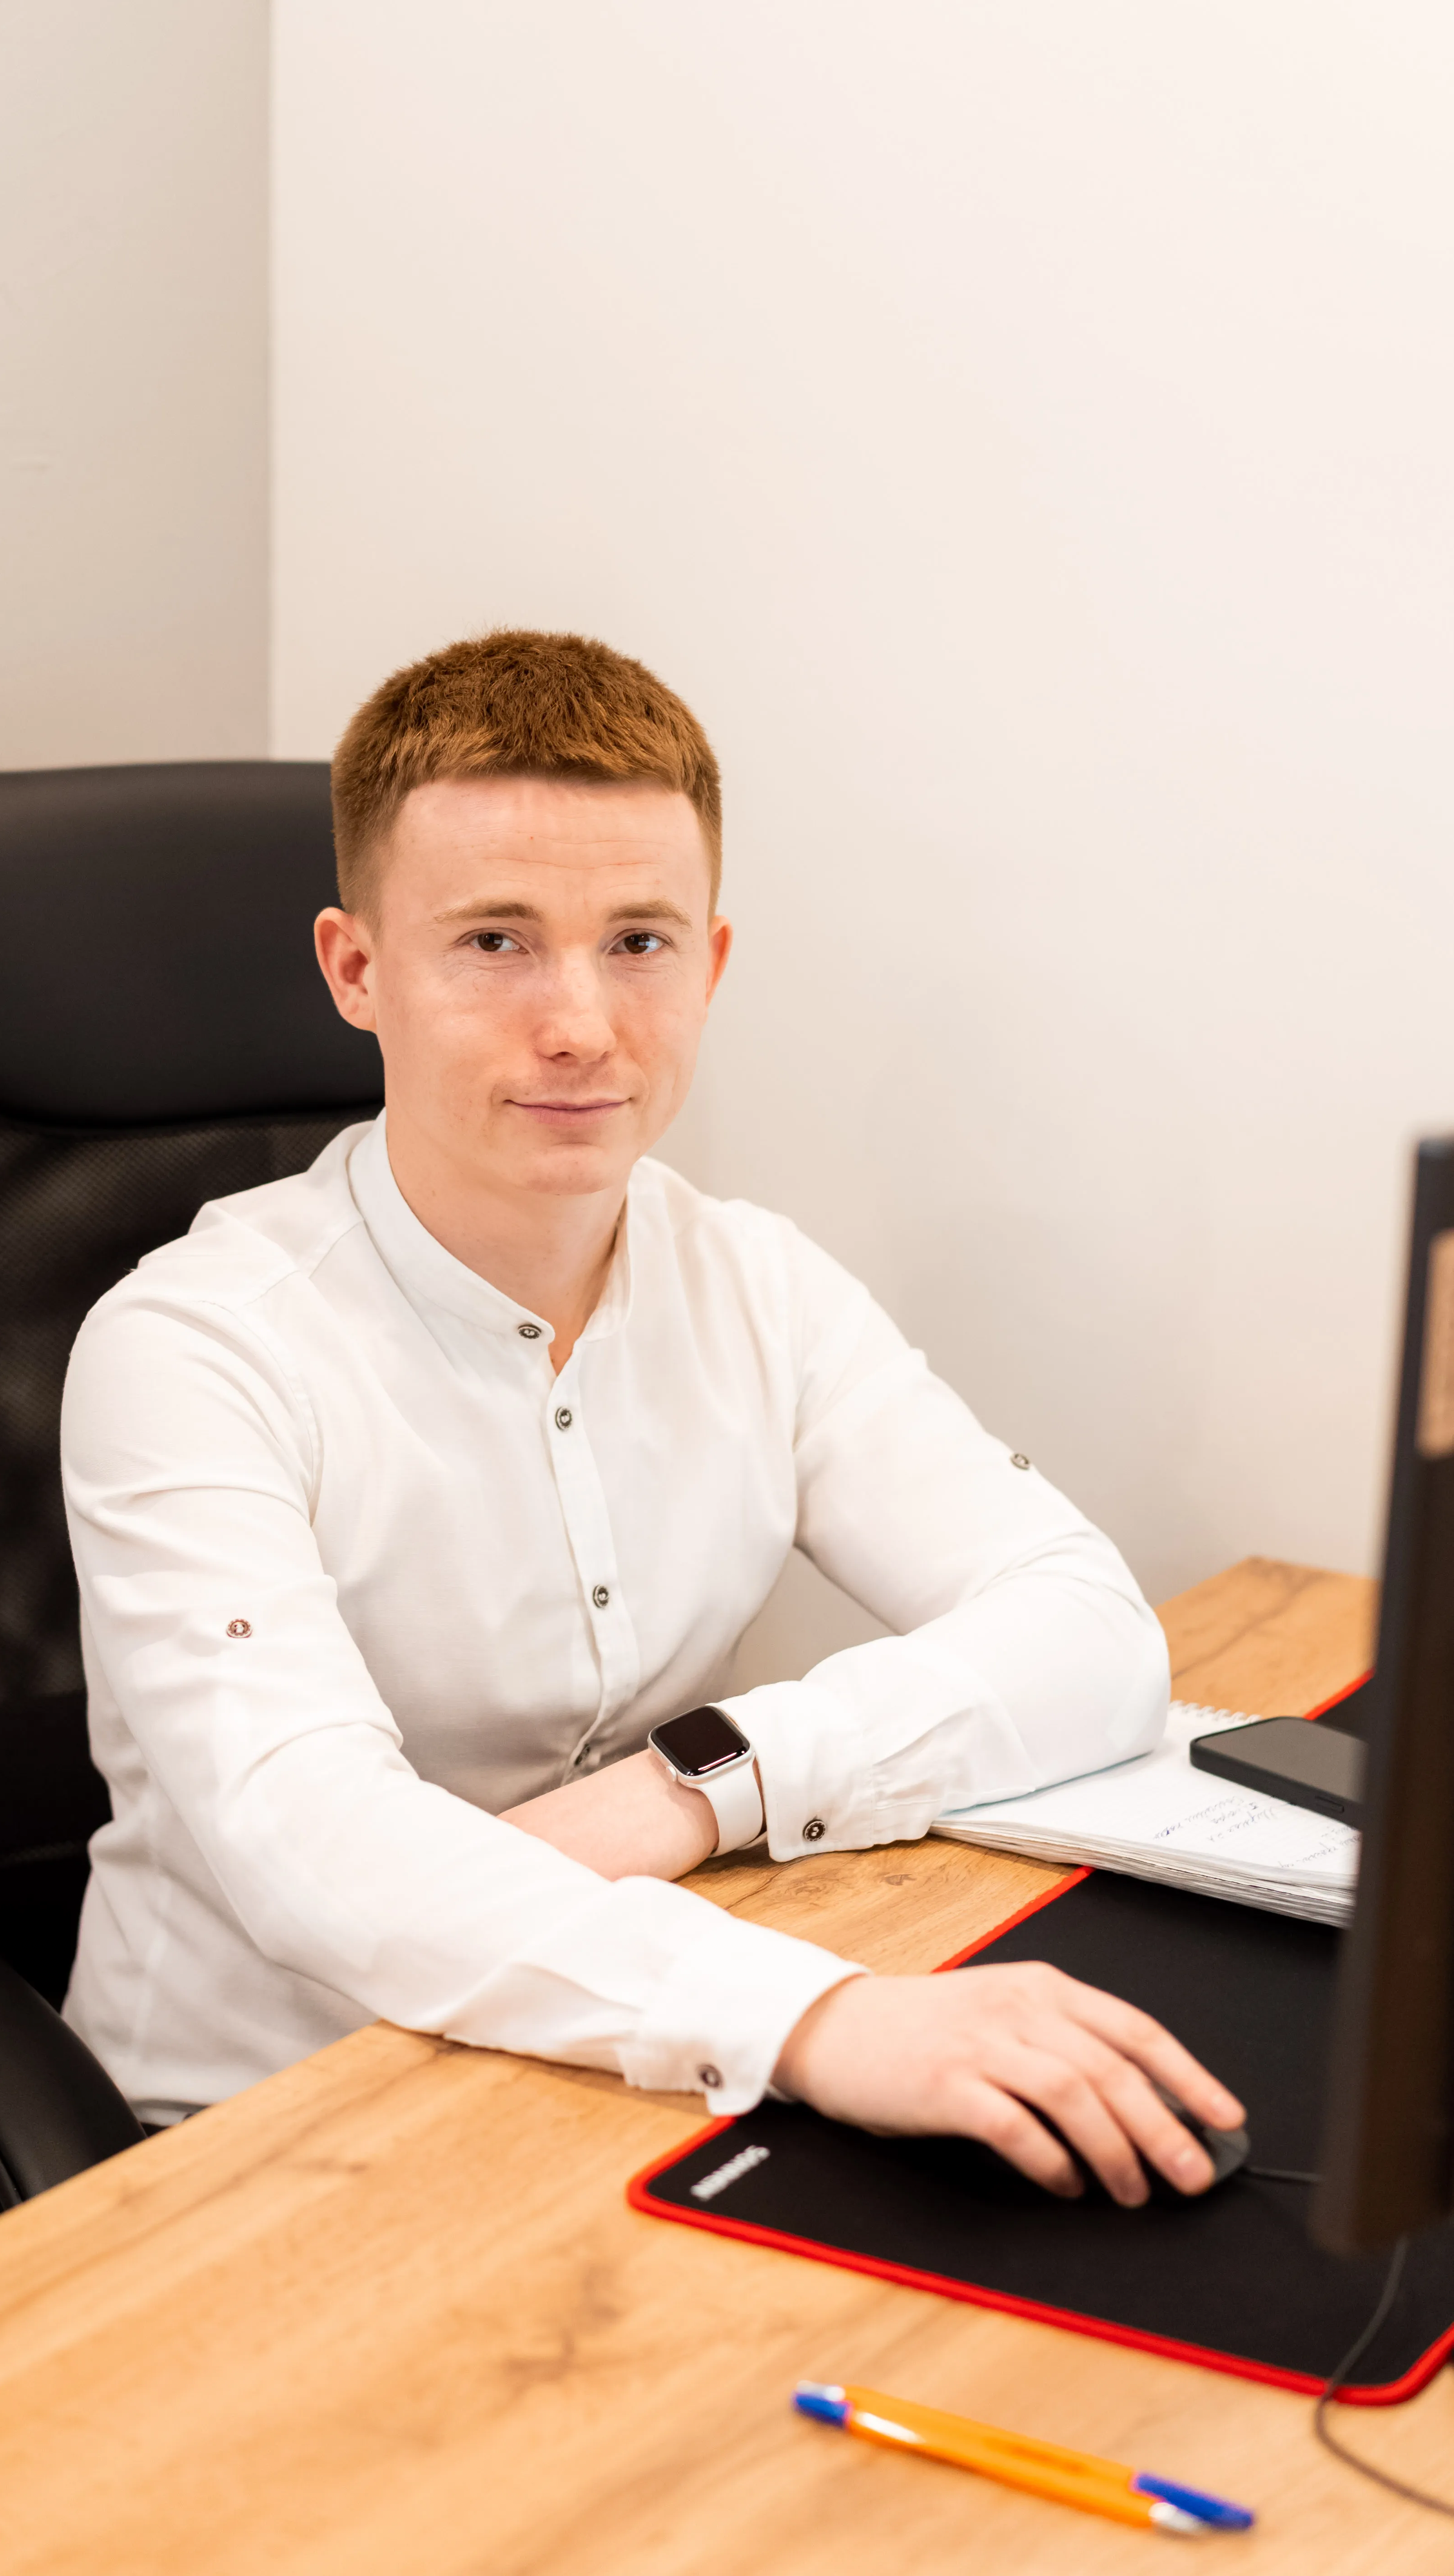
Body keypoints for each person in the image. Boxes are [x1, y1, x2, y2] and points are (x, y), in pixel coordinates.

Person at [61, 629, 1244, 2204]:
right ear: (357, 971)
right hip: (260, 2136)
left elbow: (1088, 1631)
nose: (581, 1023)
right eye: (496, 941)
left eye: (638, 941)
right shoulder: (190, 1349)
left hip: (620, 2075)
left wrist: (695, 1785)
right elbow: (316, 1848)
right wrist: (817, 2016)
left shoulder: (757, 1283)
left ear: (713, 964)